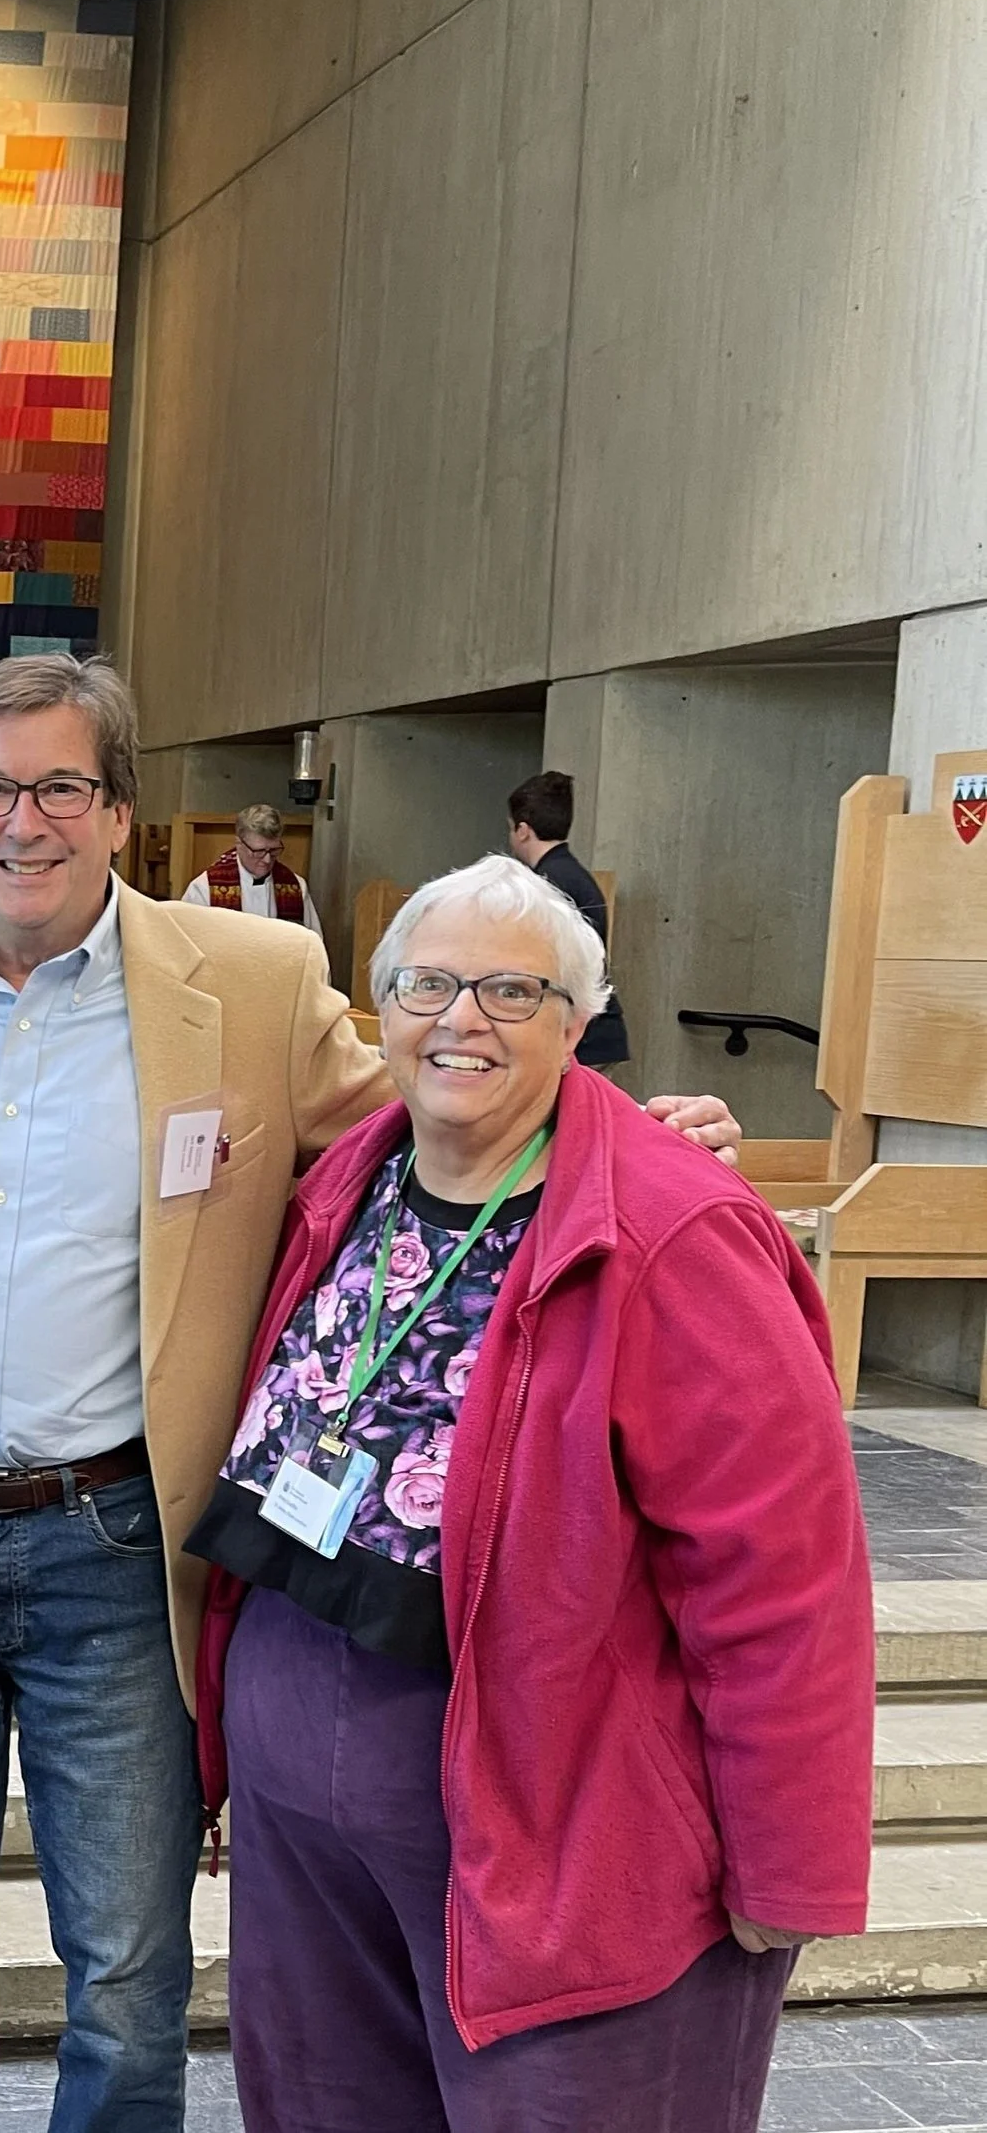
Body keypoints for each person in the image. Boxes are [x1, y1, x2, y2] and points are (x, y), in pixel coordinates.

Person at [0, 654, 743, 2133]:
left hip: (123, 1546)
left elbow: (444, 1091)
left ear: (122, 811)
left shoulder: (257, 984)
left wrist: (632, 1137)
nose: (28, 822)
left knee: (133, 1965)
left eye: (64, 787)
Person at [188, 853, 870, 2133]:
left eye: (513, 989)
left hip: (560, 1812)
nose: (462, 1019)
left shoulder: (671, 1225)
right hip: (307, 1808)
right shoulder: (343, 1182)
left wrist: (793, 1860)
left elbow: (783, 1577)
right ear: (375, 1006)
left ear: (579, 1019)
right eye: (428, 983)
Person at [505, 768, 630, 1068]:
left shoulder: (547, 884)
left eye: (510, 828)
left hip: (582, 1036)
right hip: (594, 1032)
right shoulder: (569, 874)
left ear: (522, 830)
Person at [179, 802, 322, 933]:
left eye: (273, 851)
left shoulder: (295, 887)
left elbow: (312, 945)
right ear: (239, 844)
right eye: (258, 851)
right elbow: (188, 942)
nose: (266, 860)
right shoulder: (205, 888)